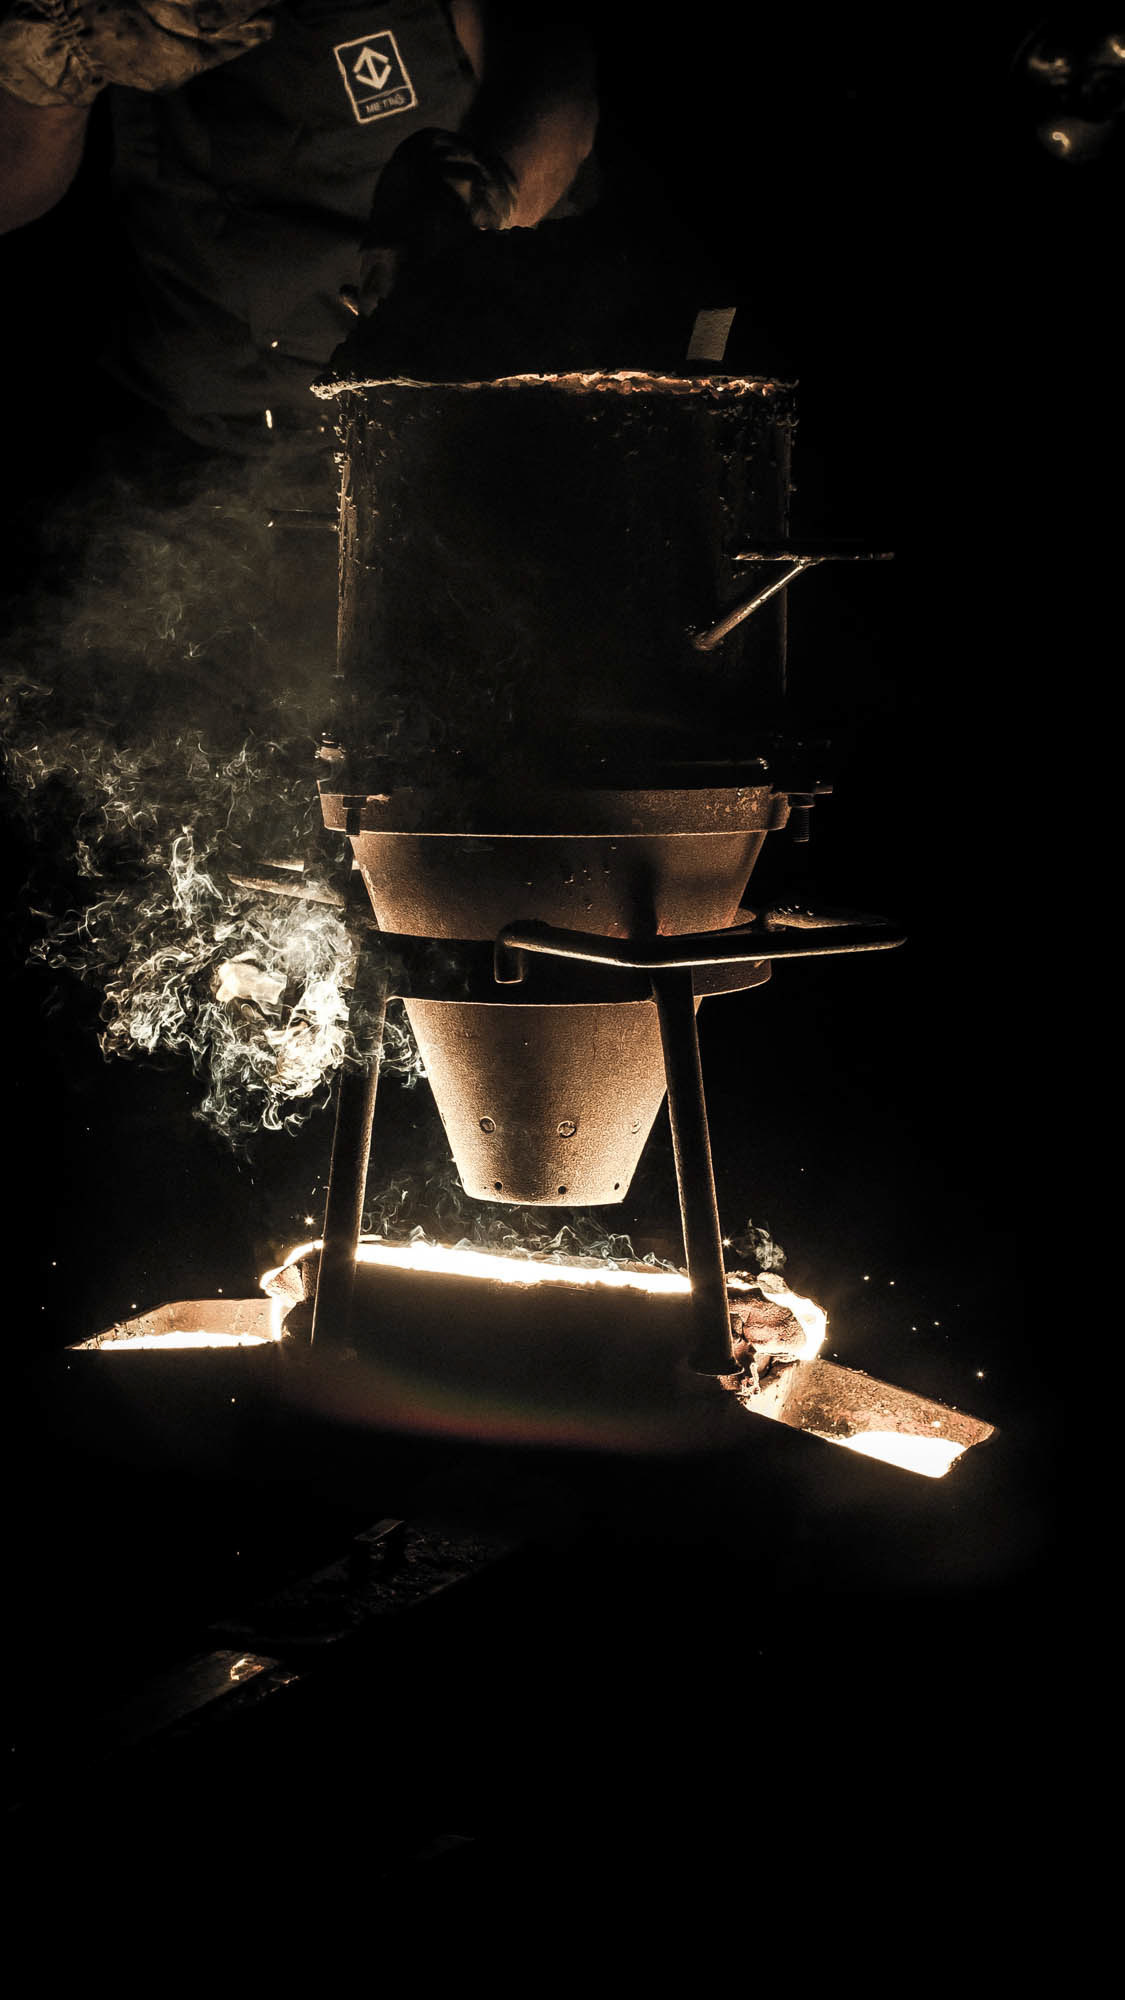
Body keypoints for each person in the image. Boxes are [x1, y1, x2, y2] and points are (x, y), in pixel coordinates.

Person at [0, 1, 598, 454]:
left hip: (454, 426)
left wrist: (478, 206)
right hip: (192, 426)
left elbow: (557, 80)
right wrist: (56, 59)